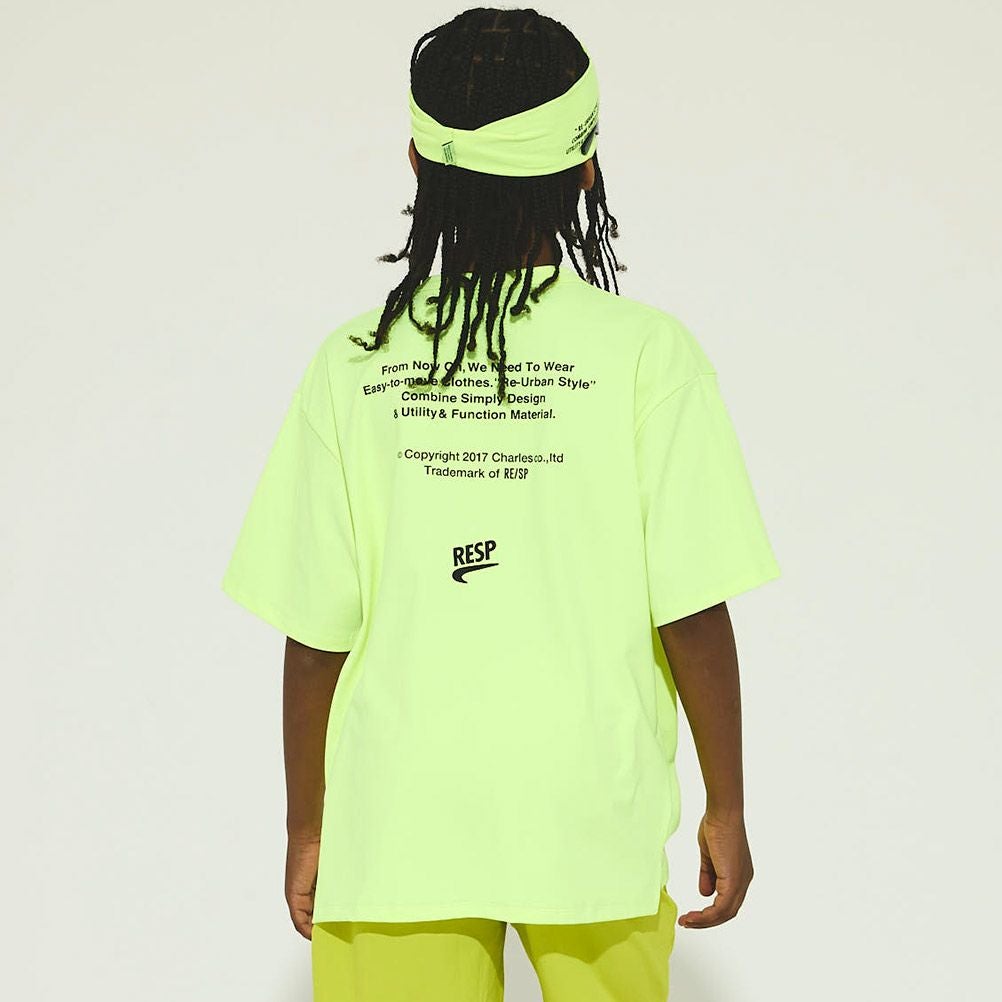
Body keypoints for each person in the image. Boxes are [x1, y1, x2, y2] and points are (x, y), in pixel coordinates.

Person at [221, 8, 781, 1001]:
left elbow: (315, 637)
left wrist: (309, 825)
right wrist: (725, 807)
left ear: (417, 163)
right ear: (585, 170)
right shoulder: (648, 356)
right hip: (589, 813)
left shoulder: (353, 364)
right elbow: (692, 611)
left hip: (396, 824)